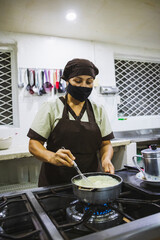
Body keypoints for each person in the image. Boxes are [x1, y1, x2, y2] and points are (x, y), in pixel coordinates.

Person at [27, 58, 115, 187]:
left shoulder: (98, 110)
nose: (83, 86)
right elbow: (34, 144)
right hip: (55, 182)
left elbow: (106, 144)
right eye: (78, 81)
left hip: (90, 181)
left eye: (89, 82)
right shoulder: (51, 107)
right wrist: (52, 157)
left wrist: (106, 158)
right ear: (67, 81)